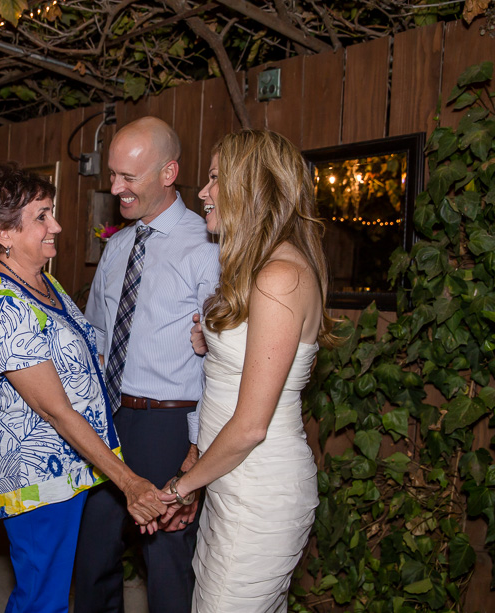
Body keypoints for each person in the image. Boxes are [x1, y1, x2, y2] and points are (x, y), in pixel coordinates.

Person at [0, 162, 172, 613]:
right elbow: (55, 410)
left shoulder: (42, 280)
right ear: (3, 232)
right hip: (35, 473)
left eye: (51, 212)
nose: (55, 225)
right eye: (41, 216)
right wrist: (128, 481)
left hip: (70, 467)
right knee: (43, 601)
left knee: (53, 595)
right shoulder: (4, 305)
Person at [160, 129, 338, 611]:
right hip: (228, 479)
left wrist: (179, 488)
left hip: (258, 491)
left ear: (251, 187)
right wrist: (211, 347)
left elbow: (252, 424)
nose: (202, 191)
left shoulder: (281, 277)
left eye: (216, 178)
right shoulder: (256, 270)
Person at [75, 116, 221, 613]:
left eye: (127, 177)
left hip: (168, 424)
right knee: (92, 558)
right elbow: (95, 336)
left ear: (168, 172)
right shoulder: (115, 247)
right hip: (108, 420)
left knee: (167, 566)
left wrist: (197, 449)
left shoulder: (207, 248)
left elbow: (221, 358)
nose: (115, 187)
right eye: (112, 175)